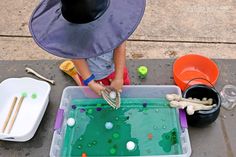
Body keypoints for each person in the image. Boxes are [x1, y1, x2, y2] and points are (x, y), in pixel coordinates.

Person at [29, 0, 146, 95]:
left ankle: (76, 75)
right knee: (92, 95)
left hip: (114, 70)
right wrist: (90, 83)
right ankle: (76, 75)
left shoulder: (115, 24)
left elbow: (120, 47)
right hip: (91, 75)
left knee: (122, 92)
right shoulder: (71, 33)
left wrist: (119, 77)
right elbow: (76, 56)